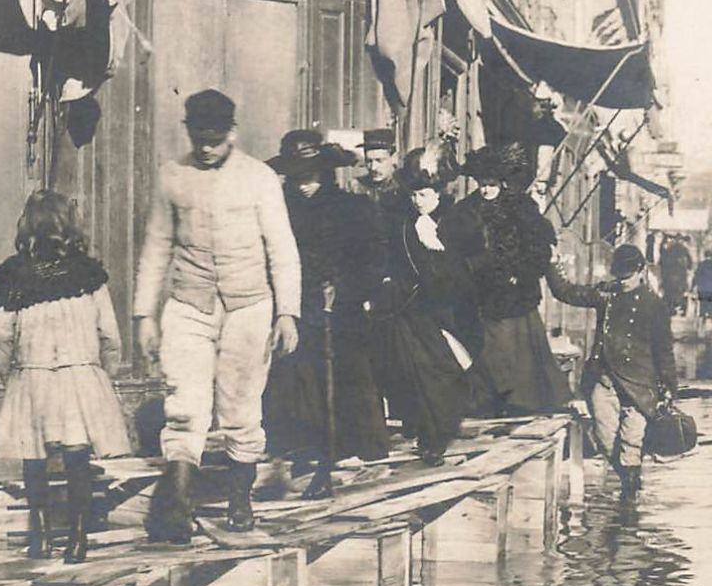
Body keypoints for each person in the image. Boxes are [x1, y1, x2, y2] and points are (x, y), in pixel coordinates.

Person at [133, 89, 301, 544]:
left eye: (216, 139)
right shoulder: (173, 176)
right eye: (199, 138)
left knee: (241, 406)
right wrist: (144, 314)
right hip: (188, 304)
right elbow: (156, 245)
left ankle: (239, 498)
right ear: (188, 131)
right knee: (184, 406)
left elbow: (282, 249)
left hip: (249, 307)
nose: (206, 148)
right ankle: (177, 508)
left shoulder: (260, 178)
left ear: (232, 133)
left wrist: (288, 312)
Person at [0, 190, 130, 563]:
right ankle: (77, 539)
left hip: (32, 377)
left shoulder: (13, 276)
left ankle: (41, 536)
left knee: (32, 459)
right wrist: (100, 378)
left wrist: (11, 378)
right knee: (77, 458)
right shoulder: (89, 275)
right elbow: (110, 336)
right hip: (80, 377)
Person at [264, 130, 393, 498]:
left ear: (325, 172)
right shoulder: (277, 209)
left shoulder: (353, 209)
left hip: (343, 311)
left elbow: (374, 258)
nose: (303, 183)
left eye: (310, 175)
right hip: (294, 308)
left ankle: (348, 449)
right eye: (295, 175)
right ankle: (299, 450)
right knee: (295, 376)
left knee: (347, 376)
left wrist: (346, 286)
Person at [374, 144, 483, 466]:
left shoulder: (459, 220)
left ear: (438, 192)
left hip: (449, 308)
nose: (417, 201)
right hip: (411, 305)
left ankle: (439, 433)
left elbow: (473, 261)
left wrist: (440, 251)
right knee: (412, 368)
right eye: (413, 195)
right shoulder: (406, 223)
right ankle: (425, 429)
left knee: (441, 370)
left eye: (423, 195)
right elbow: (395, 259)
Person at [545, 243, 677, 498]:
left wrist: (669, 388)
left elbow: (664, 351)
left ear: (641, 271)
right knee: (606, 441)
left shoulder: (655, 306)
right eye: (620, 275)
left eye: (628, 275)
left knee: (631, 441)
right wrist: (552, 264)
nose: (623, 281)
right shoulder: (606, 295)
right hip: (604, 380)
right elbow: (567, 293)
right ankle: (630, 483)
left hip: (640, 387)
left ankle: (630, 501)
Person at [453, 144, 570, 416]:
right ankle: (491, 403)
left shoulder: (521, 207)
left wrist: (521, 272)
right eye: (482, 184)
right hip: (482, 293)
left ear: (502, 182)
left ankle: (520, 402)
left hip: (516, 295)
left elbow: (540, 244)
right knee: (490, 352)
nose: (486, 190)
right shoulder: (466, 211)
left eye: (491, 184)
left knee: (517, 353)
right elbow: (455, 245)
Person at [356, 128, 402, 214]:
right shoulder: (356, 188)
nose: (373, 167)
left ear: (394, 158)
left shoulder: (405, 188)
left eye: (379, 160)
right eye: (369, 161)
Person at [659, 236, 695, 314]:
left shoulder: (668, 250)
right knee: (681, 293)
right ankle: (682, 309)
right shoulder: (684, 250)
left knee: (669, 293)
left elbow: (662, 263)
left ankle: (670, 309)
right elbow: (690, 264)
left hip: (669, 277)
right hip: (681, 276)